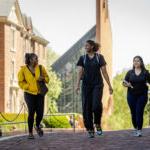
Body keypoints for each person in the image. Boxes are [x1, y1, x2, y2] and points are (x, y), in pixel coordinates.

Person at [76, 40, 113, 138]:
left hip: (97, 85)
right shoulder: (82, 58)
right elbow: (79, 72)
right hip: (86, 86)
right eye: (85, 46)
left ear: (92, 46)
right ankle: (90, 128)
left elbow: (104, 72)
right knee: (86, 107)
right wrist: (77, 85)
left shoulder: (99, 57)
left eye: (87, 45)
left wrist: (109, 85)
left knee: (96, 105)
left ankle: (97, 123)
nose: (85, 47)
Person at [18, 53, 49, 139]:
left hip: (40, 93)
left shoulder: (40, 67)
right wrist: (27, 86)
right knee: (31, 112)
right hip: (29, 94)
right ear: (31, 60)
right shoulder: (23, 70)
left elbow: (47, 78)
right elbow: (20, 82)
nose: (37, 60)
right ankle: (30, 133)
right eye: (36, 58)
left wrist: (43, 78)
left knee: (40, 113)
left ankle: (38, 125)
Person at [123, 56, 150, 137]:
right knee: (133, 113)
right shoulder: (130, 72)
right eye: (134, 61)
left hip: (142, 95)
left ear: (141, 62)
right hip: (131, 95)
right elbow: (124, 82)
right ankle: (135, 128)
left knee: (139, 112)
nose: (136, 62)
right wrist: (127, 84)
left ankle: (139, 130)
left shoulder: (145, 72)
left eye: (138, 61)